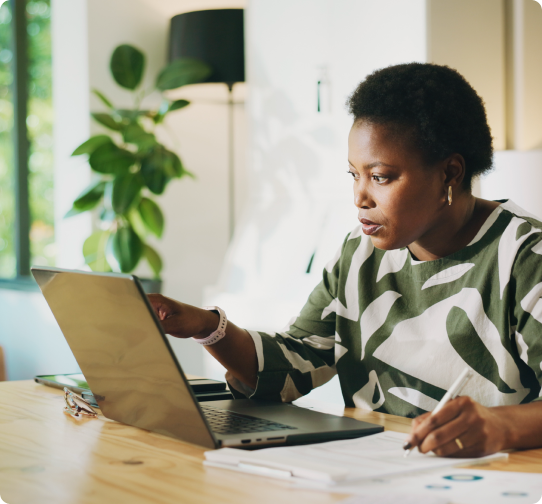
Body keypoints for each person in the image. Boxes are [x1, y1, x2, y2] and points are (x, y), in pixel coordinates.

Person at [149, 62, 542, 458]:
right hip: (376, 471)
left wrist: (501, 426)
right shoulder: (360, 252)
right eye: (354, 174)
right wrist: (206, 327)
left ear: (450, 173)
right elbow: (291, 367)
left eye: (381, 176)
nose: (360, 197)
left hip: (490, 478)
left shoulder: (525, 256)